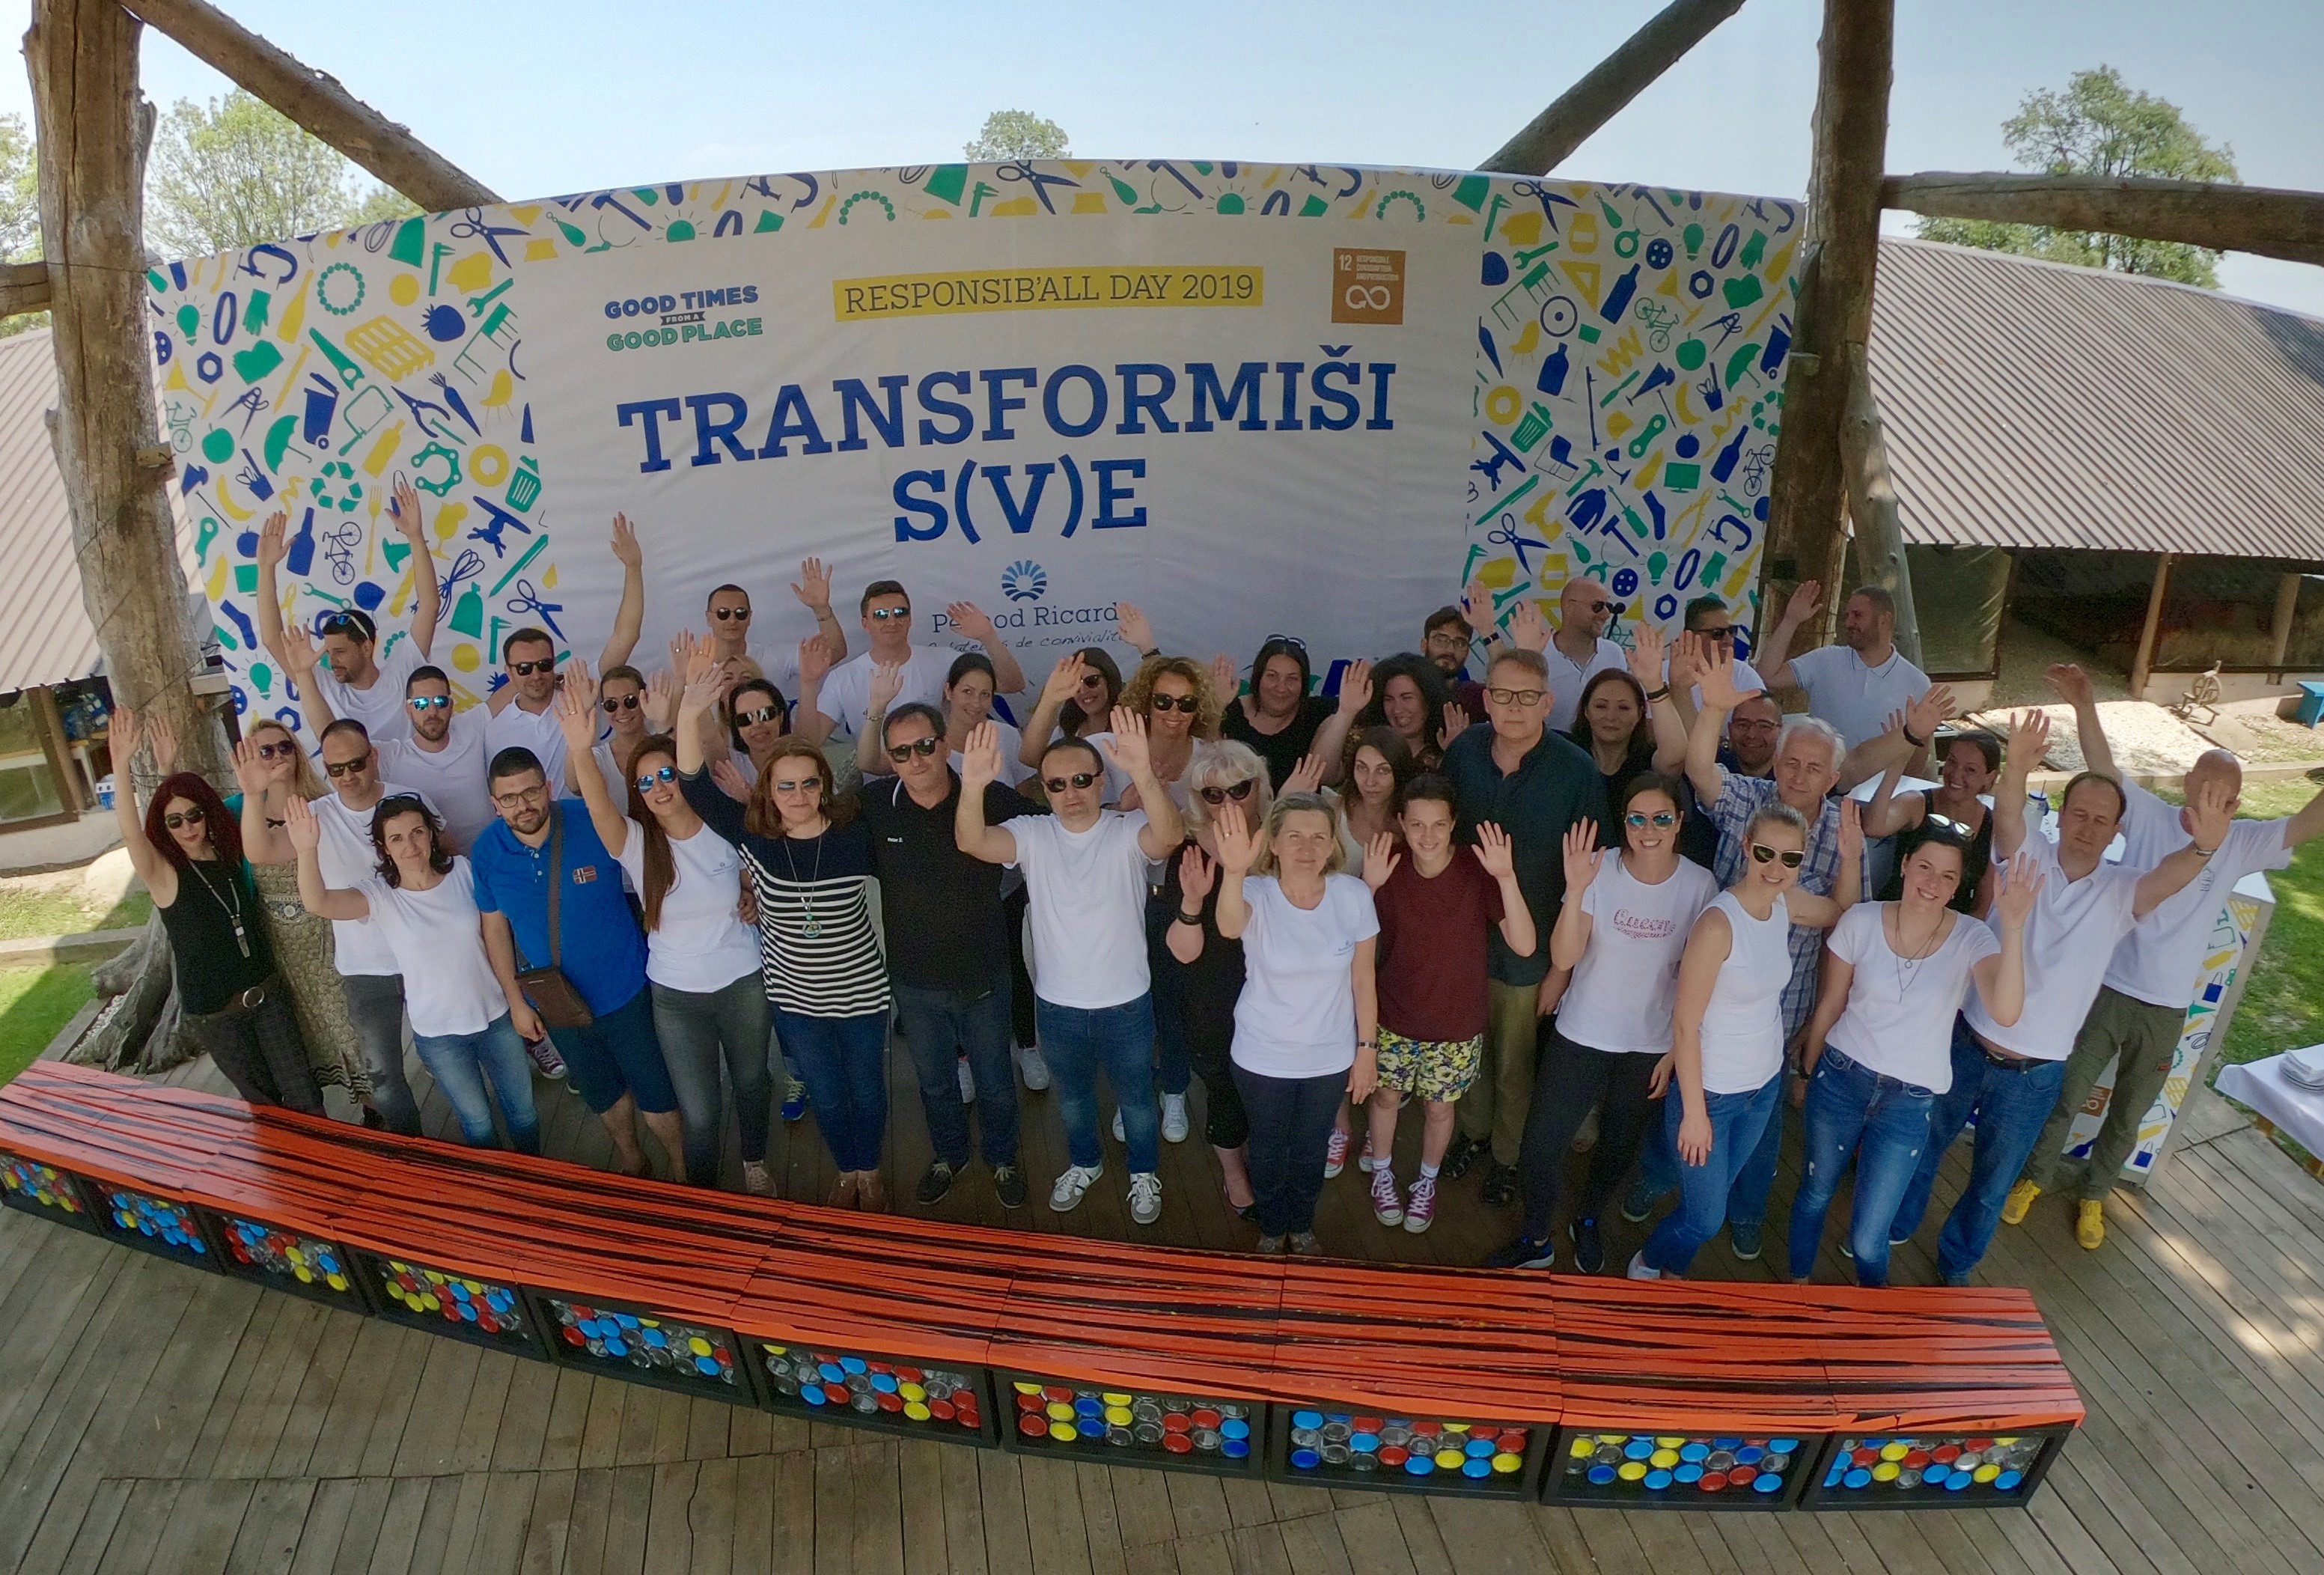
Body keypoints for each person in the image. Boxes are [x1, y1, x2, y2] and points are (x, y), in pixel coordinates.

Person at [1891, 710, 2233, 1283]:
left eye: (2101, 819)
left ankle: (1954, 1268)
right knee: (1923, 1148)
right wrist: (2016, 769)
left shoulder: (2123, 890)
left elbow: (2169, 876)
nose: (2087, 827)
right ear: (2061, 814)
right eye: (2078, 813)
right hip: (1964, 1044)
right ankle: (1897, 1225)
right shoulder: (2025, 852)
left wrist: (2204, 849)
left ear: (2117, 830)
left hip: (2034, 1075)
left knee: (1991, 1183)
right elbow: (2006, 813)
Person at [1629, 654, 1942, 1256]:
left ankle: (1745, 1214)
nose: (1799, 775)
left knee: (1760, 1128)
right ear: (1775, 764)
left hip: (1783, 1009)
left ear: (1832, 778)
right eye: (1791, 763)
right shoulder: (1748, 802)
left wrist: (1817, 1021)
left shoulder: (1842, 832)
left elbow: (1846, 924)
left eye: (1813, 768)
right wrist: (1712, 708)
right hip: (1711, 1002)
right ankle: (1658, 1182)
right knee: (1689, 1110)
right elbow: (1699, 768)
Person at [2004, 735, 2324, 1249]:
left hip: (2167, 1007)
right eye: (2206, 789)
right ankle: (2034, 1178)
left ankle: (2095, 1194)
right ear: (2188, 783)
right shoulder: (2150, 814)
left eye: (2226, 796)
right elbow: (2102, 769)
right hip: (2106, 989)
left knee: (2128, 1113)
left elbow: (2308, 823)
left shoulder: (2241, 840)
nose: (2214, 802)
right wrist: (2083, 705)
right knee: (2066, 1096)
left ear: (2237, 802)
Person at [677, 659, 893, 1208]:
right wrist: (689, 710)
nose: (798, 795)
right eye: (786, 786)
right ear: (768, 792)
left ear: (824, 786)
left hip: (862, 995)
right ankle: (847, 1169)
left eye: (808, 784)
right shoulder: (755, 838)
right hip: (796, 1001)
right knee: (827, 1094)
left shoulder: (854, 835)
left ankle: (870, 1170)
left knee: (868, 1091)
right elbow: (693, 785)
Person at [956, 714, 1184, 1224]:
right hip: (1057, 1006)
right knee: (1074, 1100)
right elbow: (972, 841)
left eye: (1082, 779)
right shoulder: (1032, 833)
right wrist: (971, 786)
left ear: (1102, 782)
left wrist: (1143, 774)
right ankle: (1085, 1163)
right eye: (1056, 784)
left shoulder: (1126, 830)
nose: (1070, 792)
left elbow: (1170, 836)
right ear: (1045, 790)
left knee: (1137, 1101)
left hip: (1127, 1002)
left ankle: (1144, 1173)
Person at [1787, 826, 2037, 1286]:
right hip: (1840, 1079)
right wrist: (1805, 1073)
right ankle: (1796, 1287)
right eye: (1924, 867)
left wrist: (2015, 925)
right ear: (1904, 865)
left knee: (1869, 1237)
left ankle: (1874, 1305)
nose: (1932, 882)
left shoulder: (1972, 936)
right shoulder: (1861, 920)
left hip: (1909, 1102)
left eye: (1947, 876)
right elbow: (1830, 1006)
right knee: (1816, 1194)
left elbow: (2006, 1012)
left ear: (1958, 886)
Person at [555, 668, 772, 1193]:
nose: (658, 787)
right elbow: (597, 803)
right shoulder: (634, 841)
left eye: (667, 774)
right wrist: (581, 749)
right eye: (645, 781)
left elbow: (758, 879)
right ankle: (701, 1200)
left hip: (743, 981)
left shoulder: (726, 825)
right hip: (676, 997)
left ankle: (756, 1164)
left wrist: (752, 899)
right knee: (699, 1113)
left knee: (751, 1083)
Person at [1490, 773, 1714, 1270]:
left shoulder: (1700, 885)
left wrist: (1677, 1050)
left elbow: (1698, 979)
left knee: (1618, 1146)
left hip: (1650, 1043)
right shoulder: (1599, 868)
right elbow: (1565, 955)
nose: (1648, 830)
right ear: (1624, 822)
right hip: (1582, 1031)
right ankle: (1535, 1237)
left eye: (1661, 818)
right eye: (1637, 818)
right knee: (1540, 1146)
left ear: (1679, 822)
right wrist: (1575, 889)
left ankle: (1588, 1217)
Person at [1631, 799, 1862, 1279]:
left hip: (1763, 1087)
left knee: (1707, 1207)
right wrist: (1695, 1114)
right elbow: (1685, 1024)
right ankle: (1648, 1262)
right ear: (1746, 846)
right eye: (1765, 854)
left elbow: (1843, 912)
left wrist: (1851, 857)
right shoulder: (1718, 925)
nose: (1776, 868)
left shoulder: (1784, 904)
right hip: (1713, 1095)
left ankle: (1673, 1275)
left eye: (1790, 858)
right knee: (1705, 1217)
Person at [1436, 648, 1607, 1206]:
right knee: (1467, 1052)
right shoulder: (1463, 752)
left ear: (1547, 703)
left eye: (1527, 696)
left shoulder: (1575, 771)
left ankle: (1508, 1157)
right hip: (1461, 942)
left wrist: (1562, 971)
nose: (1513, 707)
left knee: (1514, 1065)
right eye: (1502, 694)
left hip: (1529, 953)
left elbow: (1591, 879)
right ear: (1485, 699)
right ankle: (1473, 1133)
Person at [856, 696, 1040, 1209]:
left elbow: (1057, 832)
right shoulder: (873, 805)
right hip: (913, 981)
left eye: (923, 746)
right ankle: (949, 1155)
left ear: (943, 746)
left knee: (996, 1081)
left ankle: (1002, 1157)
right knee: (935, 1084)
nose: (914, 760)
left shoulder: (990, 796)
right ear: (890, 760)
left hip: (984, 973)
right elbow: (810, 834)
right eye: (901, 752)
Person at [283, 794, 540, 1154]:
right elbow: (318, 903)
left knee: (524, 1114)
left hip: (497, 1018)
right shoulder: (379, 896)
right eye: (397, 838)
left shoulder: (464, 872)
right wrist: (306, 850)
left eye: (418, 832)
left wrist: (519, 1003)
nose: (410, 845)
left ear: (431, 834)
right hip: (440, 1036)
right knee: (478, 1124)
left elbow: (501, 933)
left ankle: (537, 1178)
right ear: (384, 848)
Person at [472, 745, 684, 1178]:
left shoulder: (592, 820)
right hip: (559, 1005)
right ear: (495, 804)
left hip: (627, 991)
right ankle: (632, 1160)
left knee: (657, 1094)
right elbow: (494, 930)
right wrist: (516, 1002)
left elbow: (657, 865)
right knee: (603, 1094)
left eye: (531, 792)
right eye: (509, 798)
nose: (523, 805)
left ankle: (685, 1173)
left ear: (548, 787)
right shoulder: (486, 852)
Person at [104, 706, 320, 1114]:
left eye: (194, 816)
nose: (187, 827)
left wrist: (169, 772)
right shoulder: (165, 874)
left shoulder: (229, 852)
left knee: (307, 1096)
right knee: (266, 1109)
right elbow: (134, 834)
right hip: (218, 1016)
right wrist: (120, 765)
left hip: (267, 995)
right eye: (175, 822)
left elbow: (185, 801)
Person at [1366, 777, 1536, 1237]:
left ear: (1453, 824)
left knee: (1440, 1110)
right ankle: (1381, 1171)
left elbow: (1524, 945)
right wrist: (1367, 887)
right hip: (1392, 1016)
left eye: (1438, 824)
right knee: (1385, 1098)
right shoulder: (1387, 865)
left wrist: (1506, 876)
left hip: (1456, 1024)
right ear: (1401, 822)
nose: (1428, 835)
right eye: (1417, 824)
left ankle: (1426, 1181)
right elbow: (1352, 940)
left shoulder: (1475, 869)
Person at [1210, 793, 1379, 1255]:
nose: (1307, 847)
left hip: (1329, 1057)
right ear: (1274, 844)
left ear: (1333, 845)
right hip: (1262, 1055)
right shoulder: (1254, 891)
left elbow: (1363, 980)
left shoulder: (1353, 895)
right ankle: (1271, 1226)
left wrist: (1367, 1051)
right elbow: (1228, 927)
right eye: (1295, 836)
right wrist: (1234, 870)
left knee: (1311, 1150)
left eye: (1319, 837)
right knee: (1267, 1149)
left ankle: (1301, 1225)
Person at [306, 719, 435, 1136]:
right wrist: (255, 795)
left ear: (374, 756)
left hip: (426, 958)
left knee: (453, 1058)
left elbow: (448, 861)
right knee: (384, 1078)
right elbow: (259, 851)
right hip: (364, 968)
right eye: (335, 769)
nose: (347, 776)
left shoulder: (410, 801)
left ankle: (478, 1146)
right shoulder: (316, 815)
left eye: (356, 764)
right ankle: (412, 1155)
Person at [1161, 742, 1271, 1216]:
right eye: (1213, 794)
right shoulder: (1188, 852)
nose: (1227, 802)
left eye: (1239, 789)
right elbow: (1182, 952)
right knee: (1225, 1090)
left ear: (1259, 787)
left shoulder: (1283, 839)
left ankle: (1267, 1160)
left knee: (1272, 1091)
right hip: (1213, 994)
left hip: (1277, 994)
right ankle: (1233, 1171)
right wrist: (1191, 902)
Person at [230, 717, 364, 1104]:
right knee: (307, 1031)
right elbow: (254, 851)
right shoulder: (240, 811)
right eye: (265, 750)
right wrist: (253, 794)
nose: (277, 756)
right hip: (280, 942)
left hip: (327, 933)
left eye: (284, 746)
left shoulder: (323, 802)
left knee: (349, 1025)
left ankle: (377, 1107)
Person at [254, 480, 437, 744]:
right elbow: (272, 639)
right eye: (329, 652)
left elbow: (429, 605)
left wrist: (416, 537)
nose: (332, 661)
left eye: (339, 651)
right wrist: (265, 568)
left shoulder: (403, 670)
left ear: (366, 647)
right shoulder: (323, 685)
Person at [483, 516, 646, 785]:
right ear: (508, 673)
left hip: (591, 809)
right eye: (524, 668)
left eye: (544, 665)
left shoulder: (582, 691)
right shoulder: (494, 730)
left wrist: (633, 567)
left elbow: (626, 636)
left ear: (554, 663)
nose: (536, 674)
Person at [802, 580, 1027, 743]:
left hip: (940, 777)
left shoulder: (944, 660)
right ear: (865, 624)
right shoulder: (843, 677)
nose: (892, 621)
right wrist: (809, 683)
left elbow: (1012, 684)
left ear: (910, 619)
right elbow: (811, 741)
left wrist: (989, 637)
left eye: (900, 612)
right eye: (881, 615)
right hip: (876, 784)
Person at [1753, 582, 1931, 754]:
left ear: (1885, 620)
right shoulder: (1825, 659)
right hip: (1821, 774)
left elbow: (1921, 752)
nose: (1848, 623)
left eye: (1857, 615)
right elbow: (1768, 677)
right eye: (1847, 616)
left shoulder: (1918, 683)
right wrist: (1791, 620)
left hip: (1885, 776)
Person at [375, 665, 498, 853]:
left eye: (440, 701)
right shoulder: (391, 756)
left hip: (492, 855)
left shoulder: (470, 727)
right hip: (438, 865)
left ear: (451, 705)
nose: (432, 711)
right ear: (408, 709)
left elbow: (514, 689)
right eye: (421, 703)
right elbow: (340, 743)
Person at [1219, 638, 1362, 789]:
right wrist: (1217, 706)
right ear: (1258, 678)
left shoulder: (1321, 712)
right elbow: (1209, 767)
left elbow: (1325, 778)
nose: (1281, 688)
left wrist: (1345, 713)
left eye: (1292, 679)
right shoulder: (1230, 710)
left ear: (1303, 684)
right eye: (1272, 676)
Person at [1566, 627, 1688, 802]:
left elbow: (1675, 755)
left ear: (1640, 714)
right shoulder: (1565, 753)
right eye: (1601, 706)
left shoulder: (1646, 761)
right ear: (1586, 710)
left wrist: (1654, 685)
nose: (1611, 716)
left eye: (1623, 708)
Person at [704, 563, 850, 701]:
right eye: (723, 613)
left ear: (749, 617)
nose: (732, 620)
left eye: (740, 613)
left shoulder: (774, 658)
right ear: (708, 618)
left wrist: (821, 609)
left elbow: (836, 652)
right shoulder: (696, 667)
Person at [1540, 577, 1629, 734]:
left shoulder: (1614, 653)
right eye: (1598, 606)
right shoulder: (1539, 652)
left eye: (1608, 607)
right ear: (1570, 607)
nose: (1606, 614)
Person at [1354, 653, 1463, 772]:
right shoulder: (1365, 745)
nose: (1397, 709)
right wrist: (1346, 712)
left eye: (1407, 698)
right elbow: (1336, 773)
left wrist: (1453, 753)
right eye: (1389, 699)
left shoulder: (1445, 751)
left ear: (1429, 700)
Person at [1016, 647, 1126, 761]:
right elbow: (1029, 759)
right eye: (1075, 684)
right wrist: (1050, 699)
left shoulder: (1129, 726)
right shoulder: (1067, 729)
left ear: (1110, 680)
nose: (1083, 691)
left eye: (1092, 681)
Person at [941, 653, 1030, 788]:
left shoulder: (1008, 736)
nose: (976, 703)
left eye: (985, 694)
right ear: (949, 691)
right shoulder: (932, 744)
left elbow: (1025, 792)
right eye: (967, 691)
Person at [1336, 727, 1415, 864]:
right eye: (1362, 768)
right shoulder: (1333, 812)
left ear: (1399, 772)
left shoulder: (1411, 826)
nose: (1370, 782)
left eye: (1383, 770)